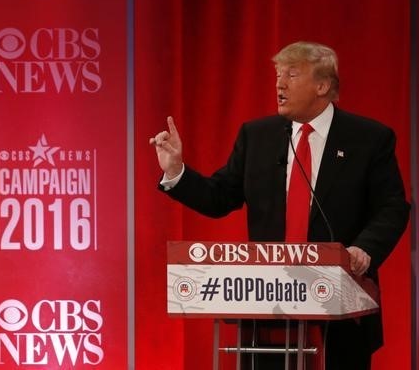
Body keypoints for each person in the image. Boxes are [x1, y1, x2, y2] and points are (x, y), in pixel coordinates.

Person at [151, 41, 409, 369]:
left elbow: (392, 207)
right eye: (277, 75)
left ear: (322, 85)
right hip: (268, 313)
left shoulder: (369, 138)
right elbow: (219, 197)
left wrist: (363, 249)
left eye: (291, 74)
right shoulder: (257, 135)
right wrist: (175, 170)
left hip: (342, 313)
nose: (279, 84)